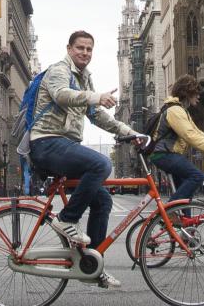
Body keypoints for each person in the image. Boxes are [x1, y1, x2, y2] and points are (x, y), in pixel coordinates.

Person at [26, 30, 145, 291]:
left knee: (103, 200)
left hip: (64, 144)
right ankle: (67, 219)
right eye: (80, 48)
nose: (85, 53)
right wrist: (95, 96)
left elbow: (98, 115)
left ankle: (91, 266)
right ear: (69, 49)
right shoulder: (59, 71)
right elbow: (61, 95)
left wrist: (130, 132)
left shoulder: (84, 78)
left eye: (89, 49)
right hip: (46, 142)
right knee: (101, 164)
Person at [147, 75, 204, 206]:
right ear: (186, 93)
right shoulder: (175, 110)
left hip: (169, 154)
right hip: (164, 154)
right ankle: (169, 212)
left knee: (185, 198)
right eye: (195, 93)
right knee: (197, 176)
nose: (198, 96)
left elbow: (198, 132)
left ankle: (182, 221)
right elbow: (190, 135)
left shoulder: (181, 110)